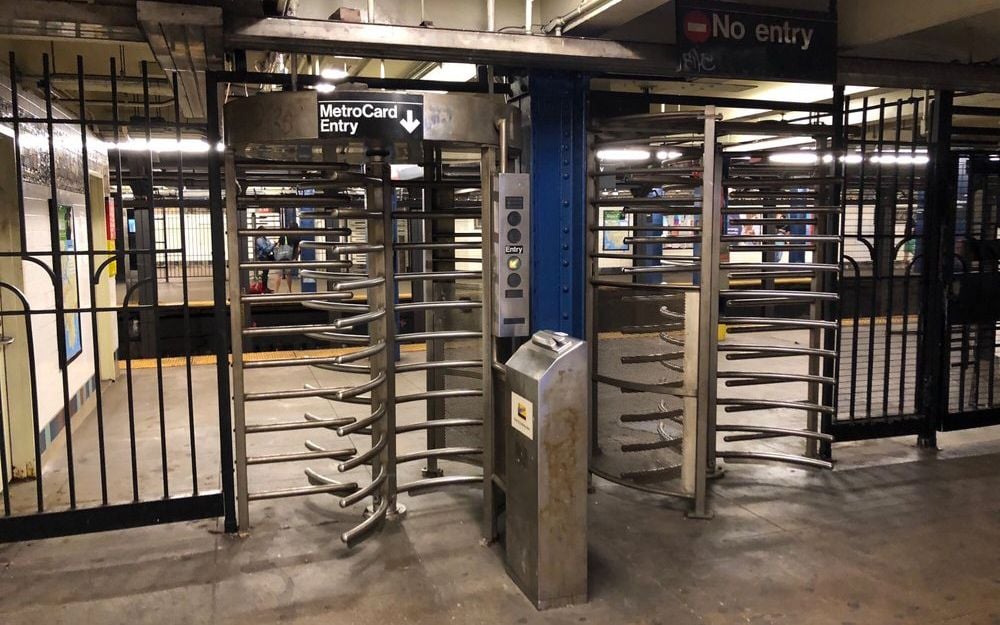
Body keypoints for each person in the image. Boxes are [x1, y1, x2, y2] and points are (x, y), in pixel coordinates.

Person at [274, 222, 302, 293]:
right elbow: (298, 249)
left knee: (278, 275)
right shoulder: (296, 237)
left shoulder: (283, 235)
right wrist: (296, 258)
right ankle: (290, 290)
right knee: (288, 275)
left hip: (280, 257)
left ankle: (276, 291)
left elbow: (278, 246)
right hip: (289, 258)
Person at [254, 226, 276, 293]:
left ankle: (265, 288)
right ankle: (264, 288)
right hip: (263, 257)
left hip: (266, 256)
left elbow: (268, 247)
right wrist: (273, 245)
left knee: (266, 272)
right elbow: (266, 250)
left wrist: (272, 245)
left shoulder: (265, 239)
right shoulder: (260, 240)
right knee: (265, 272)